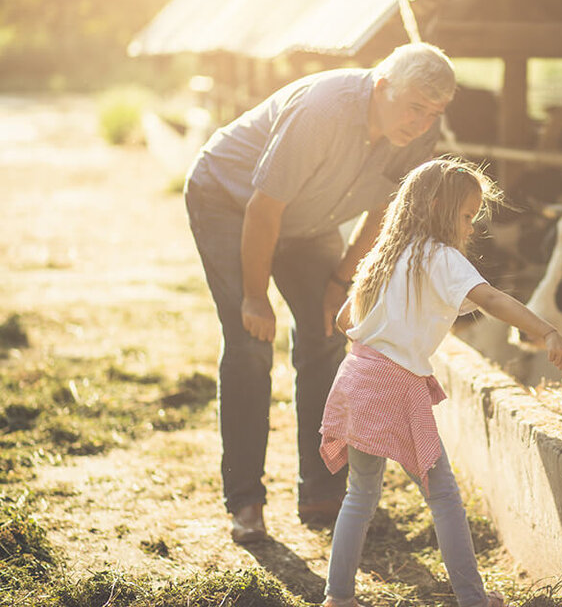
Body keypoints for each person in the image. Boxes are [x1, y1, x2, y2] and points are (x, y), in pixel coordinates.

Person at [183, 42, 456, 543]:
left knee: (327, 333)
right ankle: (245, 500)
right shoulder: (322, 111)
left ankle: (321, 490)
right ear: (381, 86)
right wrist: (254, 296)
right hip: (231, 200)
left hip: (310, 219)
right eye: (414, 107)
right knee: (249, 344)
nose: (420, 123)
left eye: (432, 113)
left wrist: (340, 281)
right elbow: (263, 210)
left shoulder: (419, 133)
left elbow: (386, 212)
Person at [319, 158, 562, 607]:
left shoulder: (384, 254)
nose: (470, 227)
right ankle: (473, 599)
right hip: (395, 385)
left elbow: (344, 320)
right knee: (444, 497)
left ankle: (338, 597)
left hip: (356, 376)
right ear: (437, 207)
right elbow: (492, 298)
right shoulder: (440, 258)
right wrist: (547, 331)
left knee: (360, 494)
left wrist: (390, 325)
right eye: (465, 215)